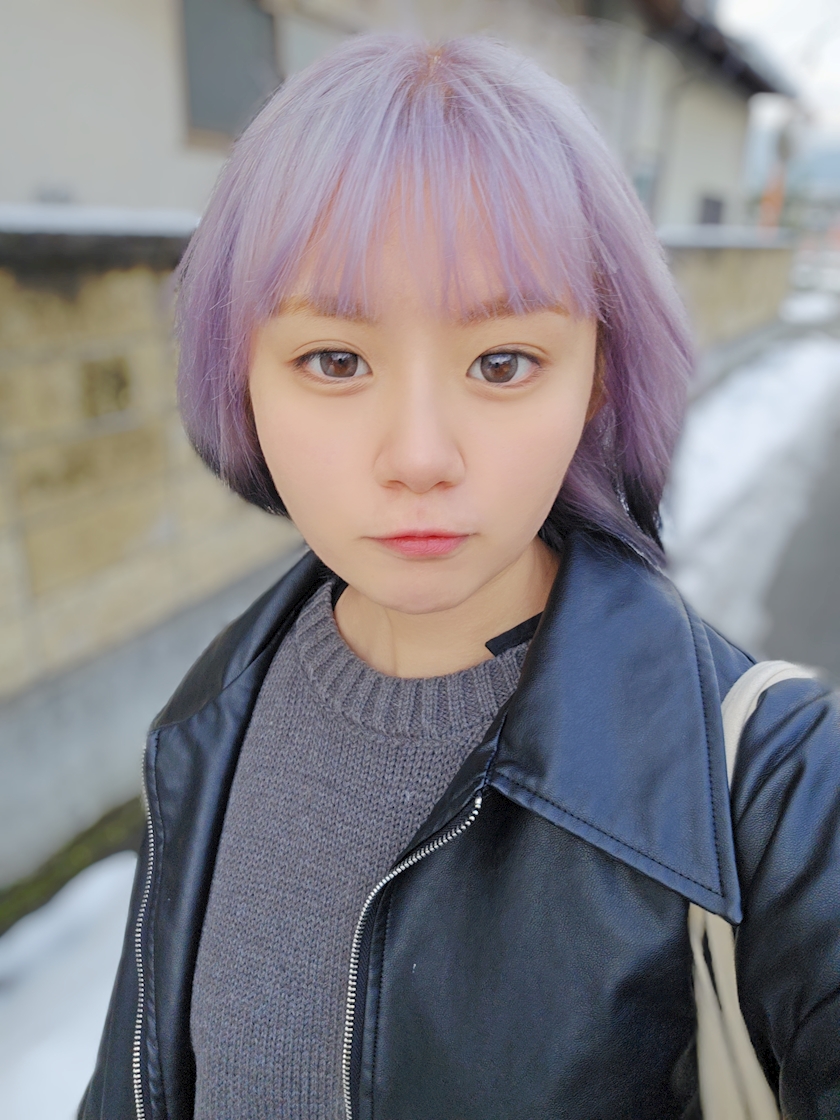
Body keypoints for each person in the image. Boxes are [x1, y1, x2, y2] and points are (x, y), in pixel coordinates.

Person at [79, 34, 840, 1120]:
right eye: (335, 360)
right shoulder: (209, 720)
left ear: (596, 380)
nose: (421, 456)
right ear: (240, 377)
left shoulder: (772, 792)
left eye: (502, 362)